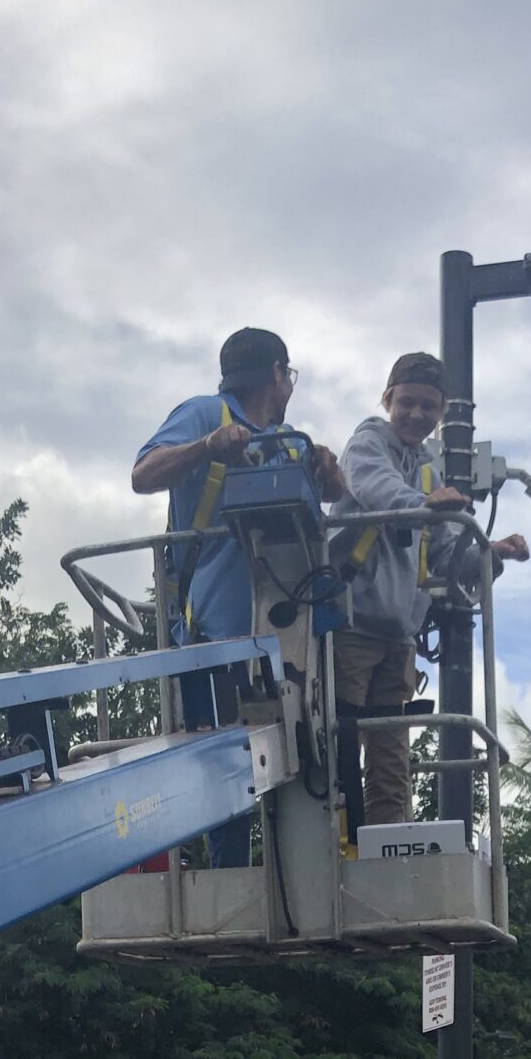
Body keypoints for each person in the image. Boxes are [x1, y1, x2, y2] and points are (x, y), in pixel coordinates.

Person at [133, 329, 345, 866]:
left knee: (292, 764)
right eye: (288, 376)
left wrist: (326, 468)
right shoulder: (207, 415)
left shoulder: (289, 441)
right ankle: (229, 879)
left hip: (281, 643)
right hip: (210, 631)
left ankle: (284, 882)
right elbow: (144, 474)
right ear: (278, 374)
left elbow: (333, 499)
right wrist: (209, 447)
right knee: (222, 772)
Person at [333, 351, 529, 835]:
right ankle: (331, 857)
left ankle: (386, 856)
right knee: (337, 751)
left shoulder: (426, 472)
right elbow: (377, 489)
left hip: (397, 639)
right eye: (408, 402)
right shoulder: (366, 445)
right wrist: (424, 506)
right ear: (387, 399)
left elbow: (447, 556)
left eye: (429, 406)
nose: (418, 414)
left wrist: (491, 554)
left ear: (442, 414)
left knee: (391, 764)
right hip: (349, 629)